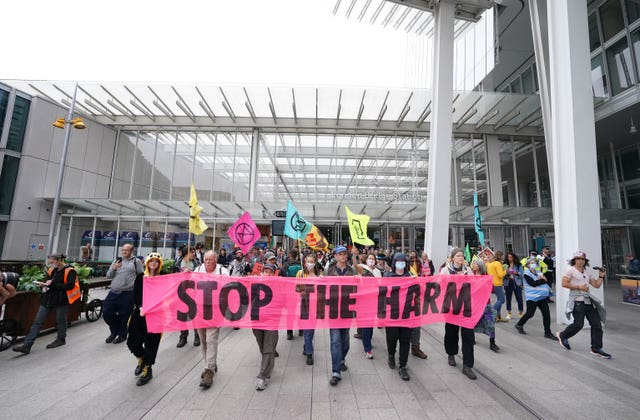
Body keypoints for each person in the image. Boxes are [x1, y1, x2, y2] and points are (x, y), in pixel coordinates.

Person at [13, 254, 79, 354]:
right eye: (49, 263)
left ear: (58, 261)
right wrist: (42, 285)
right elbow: (47, 282)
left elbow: (69, 286)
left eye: (52, 262)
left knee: (60, 320)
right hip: (47, 299)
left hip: (61, 300)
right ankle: (27, 345)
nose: (50, 265)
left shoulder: (70, 271)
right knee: (37, 322)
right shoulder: (51, 270)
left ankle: (61, 339)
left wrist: (52, 285)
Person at [556, 252, 611, 359]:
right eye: (578, 258)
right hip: (577, 302)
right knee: (578, 324)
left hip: (588, 302)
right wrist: (579, 287)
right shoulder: (570, 270)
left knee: (596, 325)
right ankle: (563, 335)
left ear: (585, 261)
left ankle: (596, 348)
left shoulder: (586, 271)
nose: (581, 260)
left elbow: (596, 285)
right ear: (574, 260)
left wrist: (601, 276)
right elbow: (564, 283)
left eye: (583, 259)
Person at [126, 252, 164, 386]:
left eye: (156, 261)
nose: (154, 263)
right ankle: (141, 358)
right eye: (151, 261)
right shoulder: (140, 277)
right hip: (140, 314)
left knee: (151, 343)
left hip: (156, 316)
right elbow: (136, 294)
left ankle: (148, 368)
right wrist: (141, 307)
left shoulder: (163, 278)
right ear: (147, 262)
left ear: (160, 264)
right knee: (132, 342)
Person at [441, 247, 477, 380]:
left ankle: (467, 365)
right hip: (451, 307)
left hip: (466, 307)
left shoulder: (468, 271)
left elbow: (474, 285)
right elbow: (441, 286)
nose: (461, 258)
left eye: (462, 256)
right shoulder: (445, 270)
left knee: (468, 336)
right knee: (451, 333)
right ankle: (451, 353)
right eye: (458, 256)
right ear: (452, 258)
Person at [194, 251, 229, 389]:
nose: (207, 262)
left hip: (215, 310)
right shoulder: (197, 270)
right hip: (199, 310)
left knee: (211, 339)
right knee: (203, 340)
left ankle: (209, 371)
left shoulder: (222, 271)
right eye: (205, 259)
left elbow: (228, 288)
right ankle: (210, 364)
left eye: (210, 259)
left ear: (215, 260)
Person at [324, 245, 357, 386]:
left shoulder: (352, 270)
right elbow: (323, 289)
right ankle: (335, 371)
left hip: (347, 309)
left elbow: (359, 288)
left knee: (345, 340)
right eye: (340, 254)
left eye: (345, 254)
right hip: (333, 310)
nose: (343, 256)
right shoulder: (329, 271)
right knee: (335, 340)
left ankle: (341, 358)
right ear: (335, 256)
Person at [103, 244, 144, 344]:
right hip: (114, 291)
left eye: (127, 250)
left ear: (131, 251)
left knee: (124, 315)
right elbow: (108, 275)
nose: (124, 252)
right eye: (123, 250)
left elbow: (141, 276)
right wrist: (114, 268)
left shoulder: (136, 261)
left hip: (128, 293)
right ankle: (115, 331)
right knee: (106, 313)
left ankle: (122, 335)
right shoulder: (117, 261)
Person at [384, 253, 413, 381]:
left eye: (403, 261)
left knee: (405, 340)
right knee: (392, 338)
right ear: (394, 262)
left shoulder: (411, 277)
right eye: (398, 261)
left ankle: (403, 366)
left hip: (407, 314)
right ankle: (391, 354)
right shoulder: (387, 276)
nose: (401, 263)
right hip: (392, 314)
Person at [253, 263, 280, 390]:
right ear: (262, 273)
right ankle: (268, 363)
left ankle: (262, 375)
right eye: (266, 271)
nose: (268, 274)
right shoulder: (255, 284)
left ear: (274, 274)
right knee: (262, 344)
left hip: (272, 320)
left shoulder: (279, 286)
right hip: (257, 320)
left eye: (270, 272)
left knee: (268, 346)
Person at [514, 257, 555, 340]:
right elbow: (533, 284)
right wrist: (543, 281)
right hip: (532, 297)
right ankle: (519, 324)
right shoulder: (526, 274)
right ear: (528, 265)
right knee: (530, 313)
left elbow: (543, 280)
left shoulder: (538, 273)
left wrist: (543, 280)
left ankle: (547, 332)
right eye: (531, 263)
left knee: (546, 314)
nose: (534, 264)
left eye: (534, 262)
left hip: (541, 297)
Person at [296, 253, 322, 365]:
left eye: (312, 262)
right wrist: (300, 291)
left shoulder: (319, 275)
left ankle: (307, 345)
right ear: (304, 263)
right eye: (308, 262)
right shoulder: (300, 274)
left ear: (315, 263)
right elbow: (295, 288)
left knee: (311, 329)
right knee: (307, 329)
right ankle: (309, 353)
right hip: (303, 305)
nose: (309, 264)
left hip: (315, 306)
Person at [471, 258, 499, 352]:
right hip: (475, 304)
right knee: (472, 322)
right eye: (473, 264)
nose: (473, 265)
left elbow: (491, 289)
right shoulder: (471, 275)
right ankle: (472, 338)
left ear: (480, 265)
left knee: (491, 323)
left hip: (486, 304)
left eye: (475, 264)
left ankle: (492, 342)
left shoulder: (486, 276)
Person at [355, 254, 380, 359]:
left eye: (373, 259)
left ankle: (368, 340)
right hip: (363, 301)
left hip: (374, 300)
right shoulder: (362, 269)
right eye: (369, 258)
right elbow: (355, 265)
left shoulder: (377, 272)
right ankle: (367, 349)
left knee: (370, 324)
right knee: (366, 325)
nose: (371, 260)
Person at [177, 247, 200, 348]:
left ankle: (197, 335)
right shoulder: (177, 263)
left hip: (193, 292)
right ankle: (183, 337)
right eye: (192, 252)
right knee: (182, 316)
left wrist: (192, 273)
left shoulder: (197, 263)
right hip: (180, 293)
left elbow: (201, 275)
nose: (193, 254)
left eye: (194, 252)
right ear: (186, 254)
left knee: (194, 314)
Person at [484, 249, 507, 322]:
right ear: (500, 256)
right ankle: (491, 312)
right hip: (498, 283)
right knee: (502, 300)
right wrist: (505, 271)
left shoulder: (489, 264)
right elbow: (500, 275)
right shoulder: (497, 263)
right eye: (502, 256)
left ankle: (498, 316)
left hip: (492, 283)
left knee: (499, 299)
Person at [503, 252, 524, 320]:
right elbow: (502, 274)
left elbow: (522, 274)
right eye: (508, 257)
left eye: (511, 257)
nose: (510, 259)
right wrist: (506, 273)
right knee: (508, 298)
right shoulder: (505, 265)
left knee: (519, 298)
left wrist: (516, 273)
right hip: (508, 282)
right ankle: (509, 313)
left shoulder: (518, 265)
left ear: (514, 257)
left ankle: (520, 312)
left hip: (517, 282)